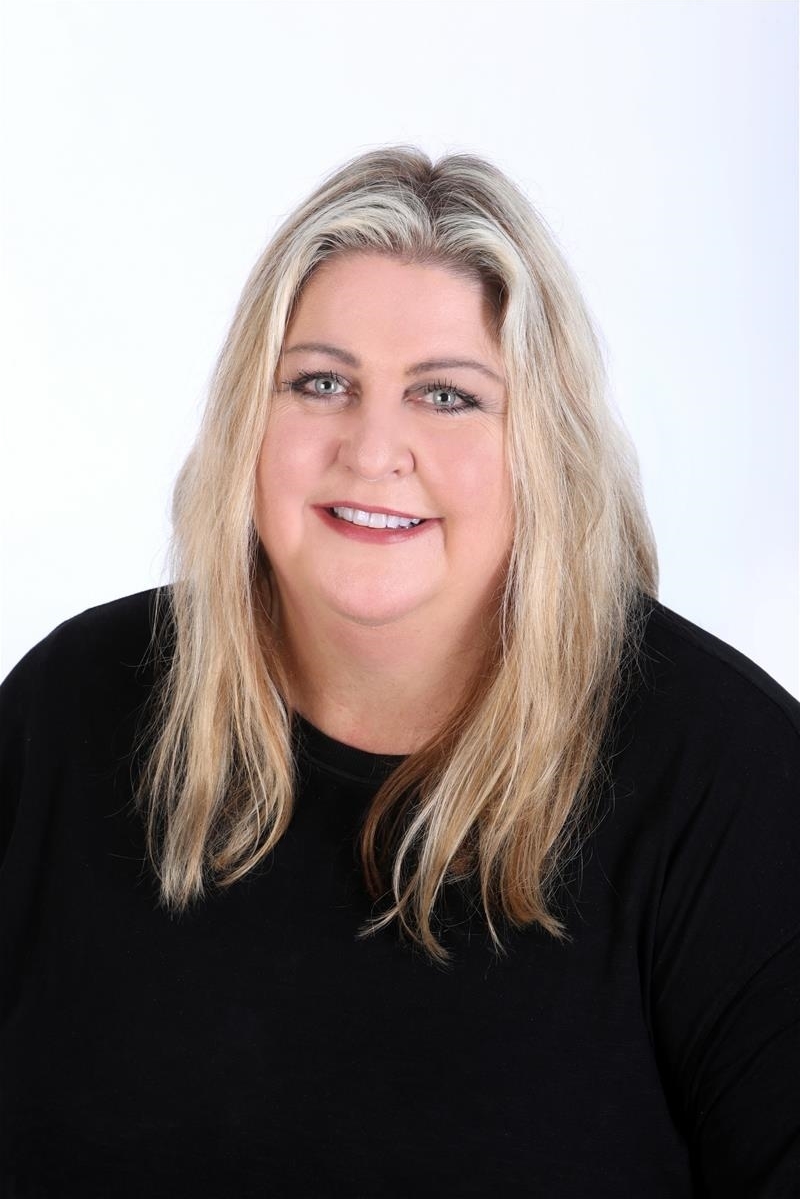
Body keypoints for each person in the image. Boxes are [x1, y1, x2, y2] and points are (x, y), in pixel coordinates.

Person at [1, 146, 798, 1199]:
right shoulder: (71, 708)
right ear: (249, 420)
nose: (373, 448)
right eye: (321, 383)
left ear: (545, 448)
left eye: (447, 396)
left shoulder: (731, 780)